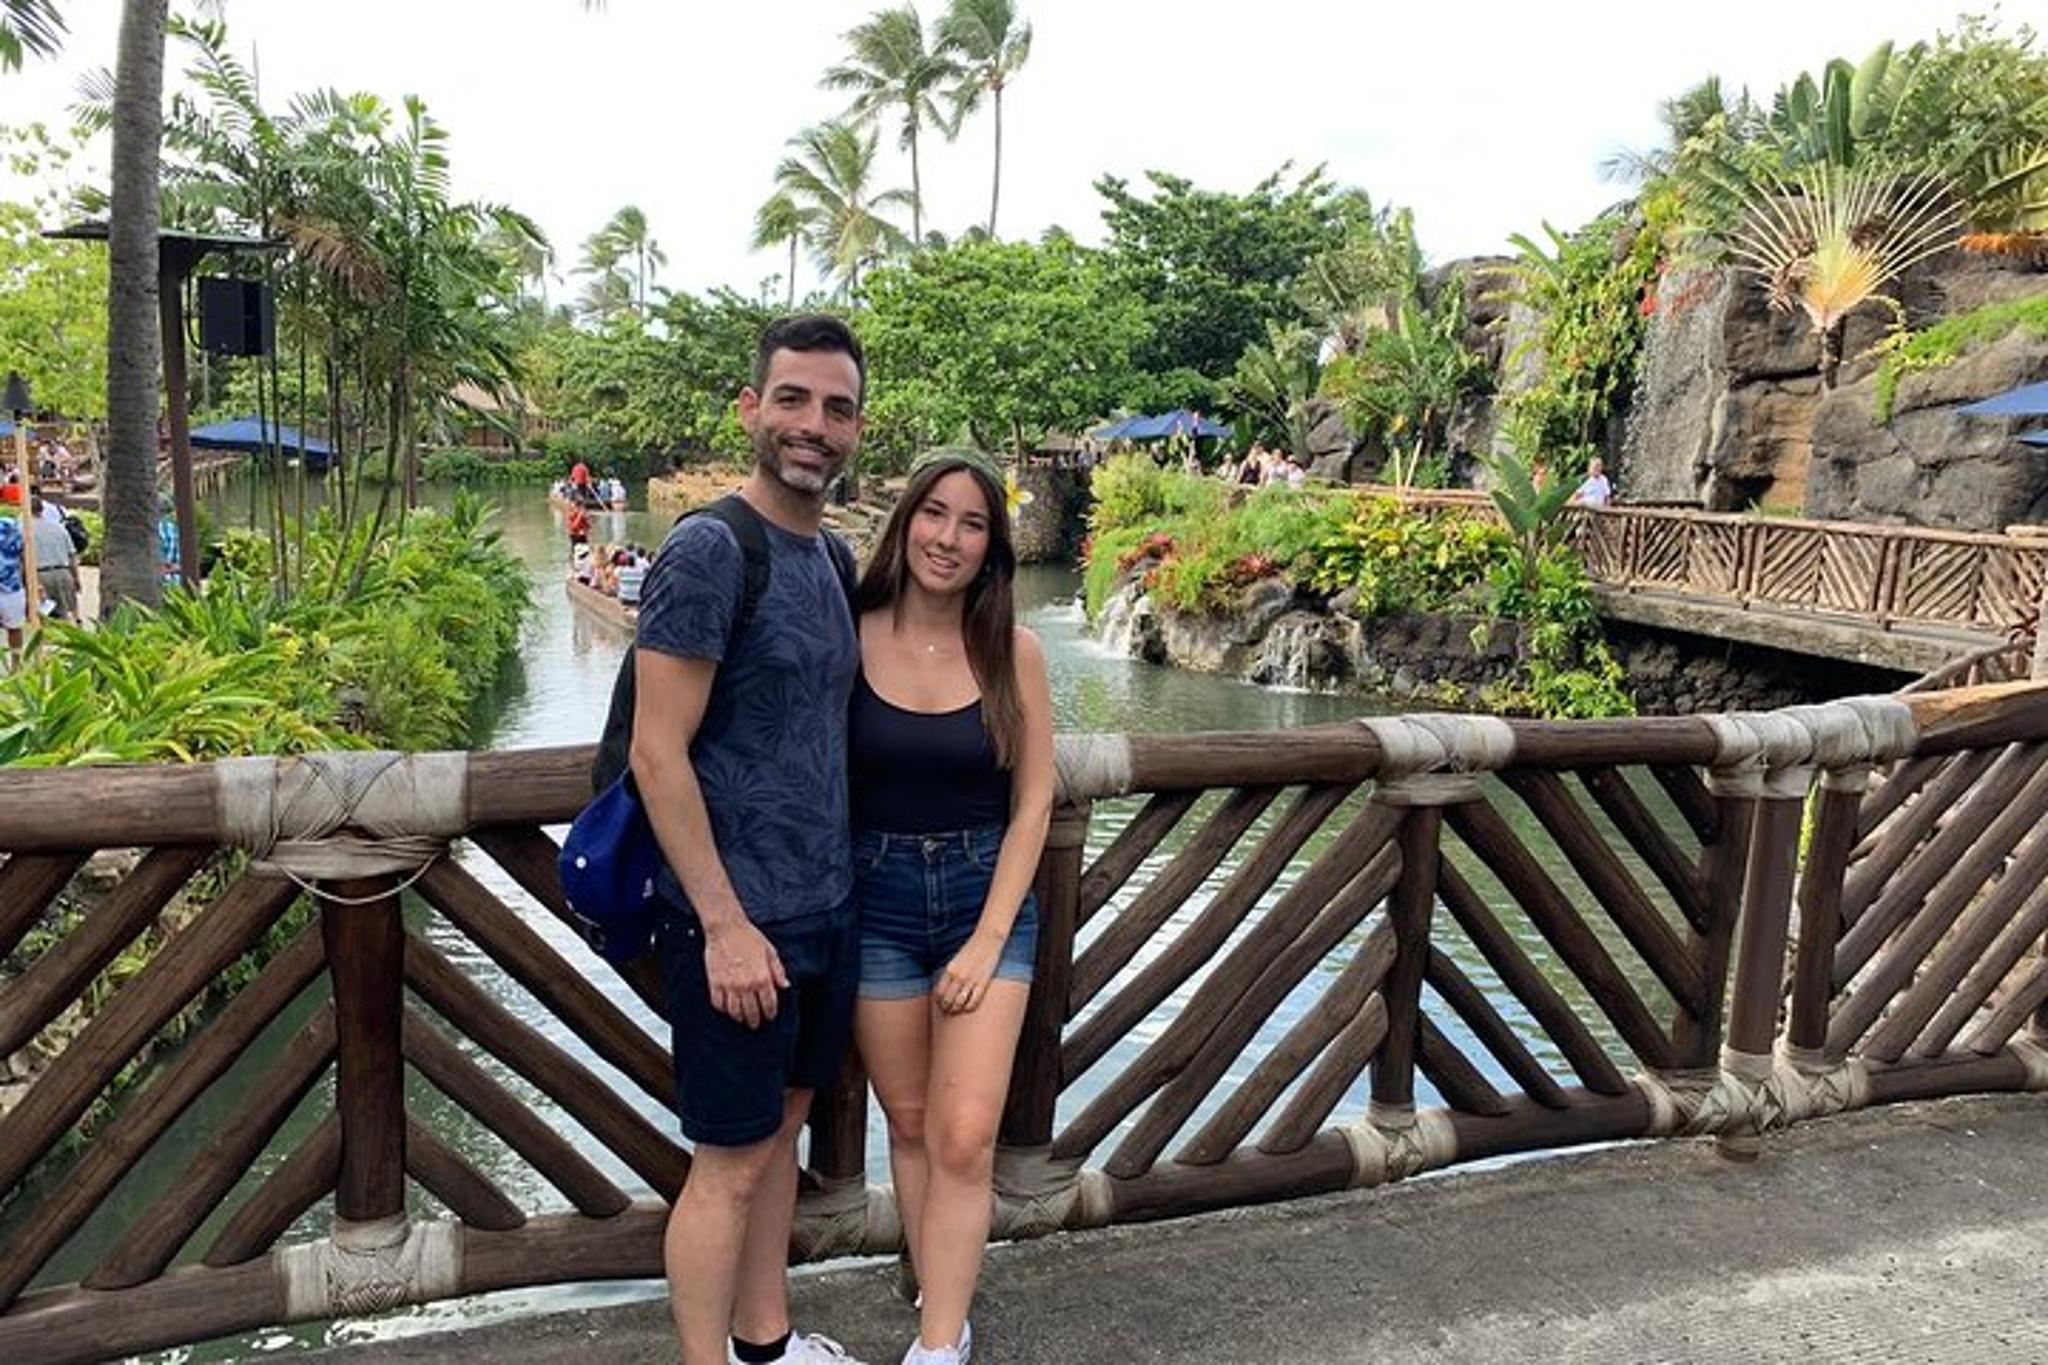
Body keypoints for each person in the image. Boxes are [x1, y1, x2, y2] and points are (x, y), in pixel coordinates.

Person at [632, 315, 869, 1365]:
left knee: (779, 1140)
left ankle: (766, 1345)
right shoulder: (708, 549)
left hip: (822, 907)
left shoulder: (833, 556)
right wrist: (724, 924)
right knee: (726, 1162)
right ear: (750, 410)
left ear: (856, 428)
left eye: (836, 408)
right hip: (733, 922)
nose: (813, 425)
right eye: (793, 400)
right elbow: (657, 752)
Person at [849, 448, 1054, 1365]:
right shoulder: (850, 633)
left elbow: (1034, 802)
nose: (949, 538)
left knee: (966, 1137)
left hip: (985, 894)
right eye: (935, 513)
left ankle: (938, 1348)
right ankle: (939, 1299)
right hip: (875, 899)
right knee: (910, 1123)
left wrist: (987, 938)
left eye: (973, 524)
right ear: (905, 523)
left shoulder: (1014, 652)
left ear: (992, 548)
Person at [28, 493, 76, 621]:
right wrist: (76, 578)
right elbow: (71, 555)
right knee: (64, 617)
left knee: (42, 617)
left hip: (39, 576)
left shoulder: (23, 529)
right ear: (42, 509)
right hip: (63, 573)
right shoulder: (58, 527)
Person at [0, 513, 24, 658]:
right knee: (15, 627)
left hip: (11, 586)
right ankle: (16, 663)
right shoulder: (13, 524)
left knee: (15, 627)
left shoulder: (10, 525)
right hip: (12, 586)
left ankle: (16, 662)